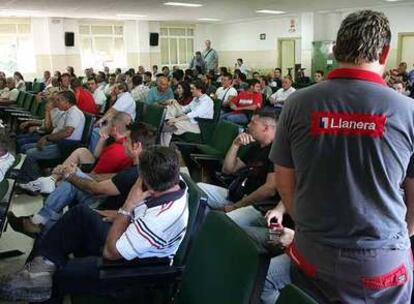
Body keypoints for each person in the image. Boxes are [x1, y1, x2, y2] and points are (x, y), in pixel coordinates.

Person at [267, 10, 414, 303]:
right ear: (385, 52)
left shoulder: (297, 103)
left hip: (312, 252)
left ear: (335, 50)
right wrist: (399, 234)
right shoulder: (408, 111)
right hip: (378, 264)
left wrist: (310, 227)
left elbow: (284, 183)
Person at [1, 145, 188, 302]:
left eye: (140, 177)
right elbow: (144, 214)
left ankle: (39, 275)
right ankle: (36, 270)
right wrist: (122, 216)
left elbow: (111, 252)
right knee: (79, 215)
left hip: (135, 266)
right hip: (133, 236)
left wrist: (126, 208)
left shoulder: (160, 219)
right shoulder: (173, 180)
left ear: (147, 183)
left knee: (61, 272)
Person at [8, 122, 156, 237]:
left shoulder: (133, 173)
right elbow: (113, 178)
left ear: (136, 146)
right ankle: (40, 222)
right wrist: (77, 173)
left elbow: (96, 189)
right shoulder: (144, 166)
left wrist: (70, 175)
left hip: (105, 207)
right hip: (111, 202)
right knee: (75, 178)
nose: (123, 142)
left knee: (72, 183)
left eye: (127, 140)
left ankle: (39, 222)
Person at [18, 112, 133, 194]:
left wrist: (70, 174)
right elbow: (97, 155)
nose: (104, 126)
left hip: (103, 178)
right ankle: (52, 179)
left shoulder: (117, 149)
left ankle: (56, 184)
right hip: (105, 167)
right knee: (81, 151)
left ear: (114, 128)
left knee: (69, 172)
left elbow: (95, 174)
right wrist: (102, 139)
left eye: (108, 124)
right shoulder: (120, 139)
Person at [198, 110, 276, 211]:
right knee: (196, 189)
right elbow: (228, 169)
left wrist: (235, 207)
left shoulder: (277, 152)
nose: (248, 125)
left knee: (213, 215)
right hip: (236, 195)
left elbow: (269, 190)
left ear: (265, 128)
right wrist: (235, 144)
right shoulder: (256, 146)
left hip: (254, 207)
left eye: (253, 123)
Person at [17, 91, 85, 184]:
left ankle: (36, 182)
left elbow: (67, 132)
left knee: (30, 154)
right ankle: (29, 176)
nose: (56, 102)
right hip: (57, 143)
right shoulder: (66, 112)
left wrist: (47, 138)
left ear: (67, 102)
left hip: (65, 146)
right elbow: (51, 127)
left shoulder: (74, 112)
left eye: (59, 100)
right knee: (25, 148)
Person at [160, 80, 214, 146]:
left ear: (199, 90)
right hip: (190, 121)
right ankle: (163, 147)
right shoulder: (195, 99)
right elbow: (184, 109)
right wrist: (175, 103)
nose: (190, 90)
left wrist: (176, 119)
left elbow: (193, 114)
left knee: (169, 126)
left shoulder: (207, 101)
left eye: (192, 89)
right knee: (171, 106)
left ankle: (165, 149)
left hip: (200, 125)